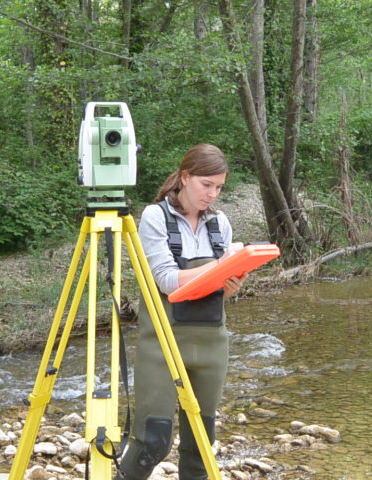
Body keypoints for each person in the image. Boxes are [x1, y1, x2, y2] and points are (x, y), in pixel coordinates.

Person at [118, 143, 245, 480]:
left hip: (212, 344)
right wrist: (220, 267)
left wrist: (230, 284)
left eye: (219, 187)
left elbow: (215, 289)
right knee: (152, 443)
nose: (213, 194)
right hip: (162, 345)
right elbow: (167, 281)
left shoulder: (221, 224)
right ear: (186, 177)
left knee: (201, 445)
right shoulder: (155, 216)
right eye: (207, 185)